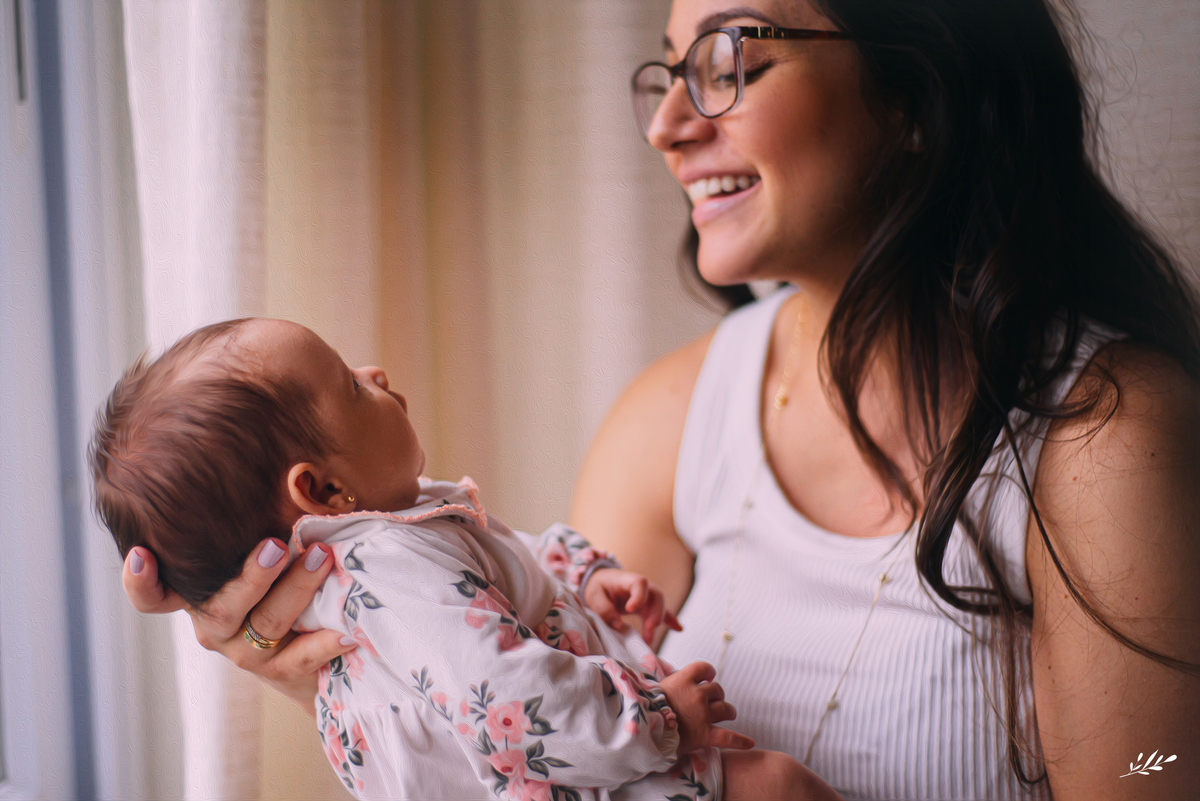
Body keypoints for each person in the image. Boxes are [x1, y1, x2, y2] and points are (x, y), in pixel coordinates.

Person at [122, 1, 1200, 799]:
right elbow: (527, 721)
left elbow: (1158, 772)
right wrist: (333, 656)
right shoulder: (668, 422)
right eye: (668, 71)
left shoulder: (1106, 441)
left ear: (921, 95)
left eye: (732, 59)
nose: (667, 125)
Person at [92, 317, 840, 801]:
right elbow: (505, 696)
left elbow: (502, 573)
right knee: (780, 787)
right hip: (576, 774)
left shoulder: (383, 550)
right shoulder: (388, 570)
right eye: (350, 385)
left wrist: (584, 577)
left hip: (570, 761)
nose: (377, 372)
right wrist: (659, 719)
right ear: (321, 488)